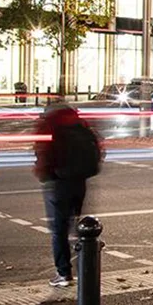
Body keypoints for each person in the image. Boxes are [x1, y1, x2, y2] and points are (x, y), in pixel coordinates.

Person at [33, 99, 103, 288]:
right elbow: (98, 147)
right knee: (78, 227)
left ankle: (63, 273)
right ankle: (85, 269)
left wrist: (44, 173)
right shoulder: (80, 122)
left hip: (58, 181)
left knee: (59, 229)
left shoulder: (49, 123)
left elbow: (43, 151)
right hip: (80, 180)